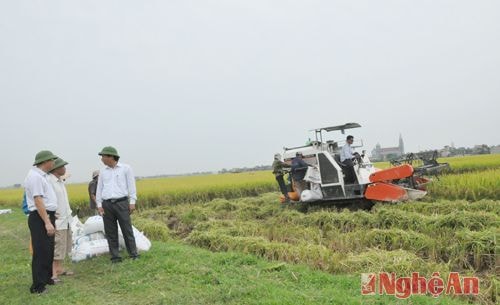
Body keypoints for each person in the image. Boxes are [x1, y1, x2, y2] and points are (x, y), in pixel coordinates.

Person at [96, 146, 139, 263]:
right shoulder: (103, 171)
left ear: (111, 157)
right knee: (110, 231)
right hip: (107, 204)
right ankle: (115, 256)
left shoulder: (126, 168)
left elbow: (131, 186)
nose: (102, 159)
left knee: (127, 229)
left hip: (122, 203)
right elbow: (99, 189)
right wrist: (99, 205)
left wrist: (132, 202)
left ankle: (133, 253)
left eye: (103, 157)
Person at [24, 150, 58, 294]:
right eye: (52, 160)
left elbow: (46, 199)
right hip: (40, 217)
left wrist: (52, 212)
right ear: (45, 161)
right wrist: (47, 222)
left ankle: (46, 278)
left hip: (46, 215)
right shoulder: (35, 177)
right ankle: (37, 286)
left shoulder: (42, 176)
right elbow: (38, 200)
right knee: (40, 251)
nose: (54, 163)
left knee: (48, 249)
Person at [47, 158, 74, 282]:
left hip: (66, 218)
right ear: (56, 169)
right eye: (63, 166)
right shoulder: (49, 181)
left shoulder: (60, 181)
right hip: (58, 219)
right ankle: (53, 274)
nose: (65, 169)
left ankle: (58, 268)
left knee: (63, 246)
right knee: (57, 246)